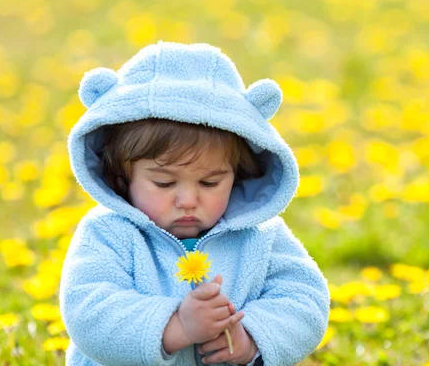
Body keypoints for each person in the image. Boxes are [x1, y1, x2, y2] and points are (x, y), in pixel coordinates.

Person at [60, 41, 330, 366]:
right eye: (164, 183)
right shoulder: (107, 233)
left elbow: (305, 299)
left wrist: (252, 337)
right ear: (122, 174)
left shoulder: (262, 236)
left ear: (237, 174)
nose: (188, 201)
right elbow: (88, 310)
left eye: (210, 182)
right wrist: (175, 326)